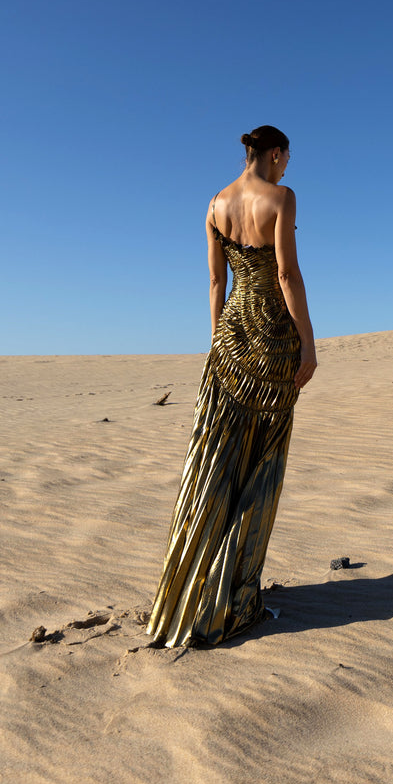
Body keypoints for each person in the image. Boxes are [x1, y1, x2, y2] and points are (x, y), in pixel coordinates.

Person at [146, 124, 317, 649]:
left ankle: (195, 592)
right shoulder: (282, 198)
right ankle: (236, 601)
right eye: (286, 159)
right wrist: (308, 345)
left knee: (217, 461)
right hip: (271, 342)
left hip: (229, 340)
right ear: (275, 154)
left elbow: (217, 281)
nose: (286, 168)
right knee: (261, 464)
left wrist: (218, 342)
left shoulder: (214, 205)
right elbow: (286, 275)